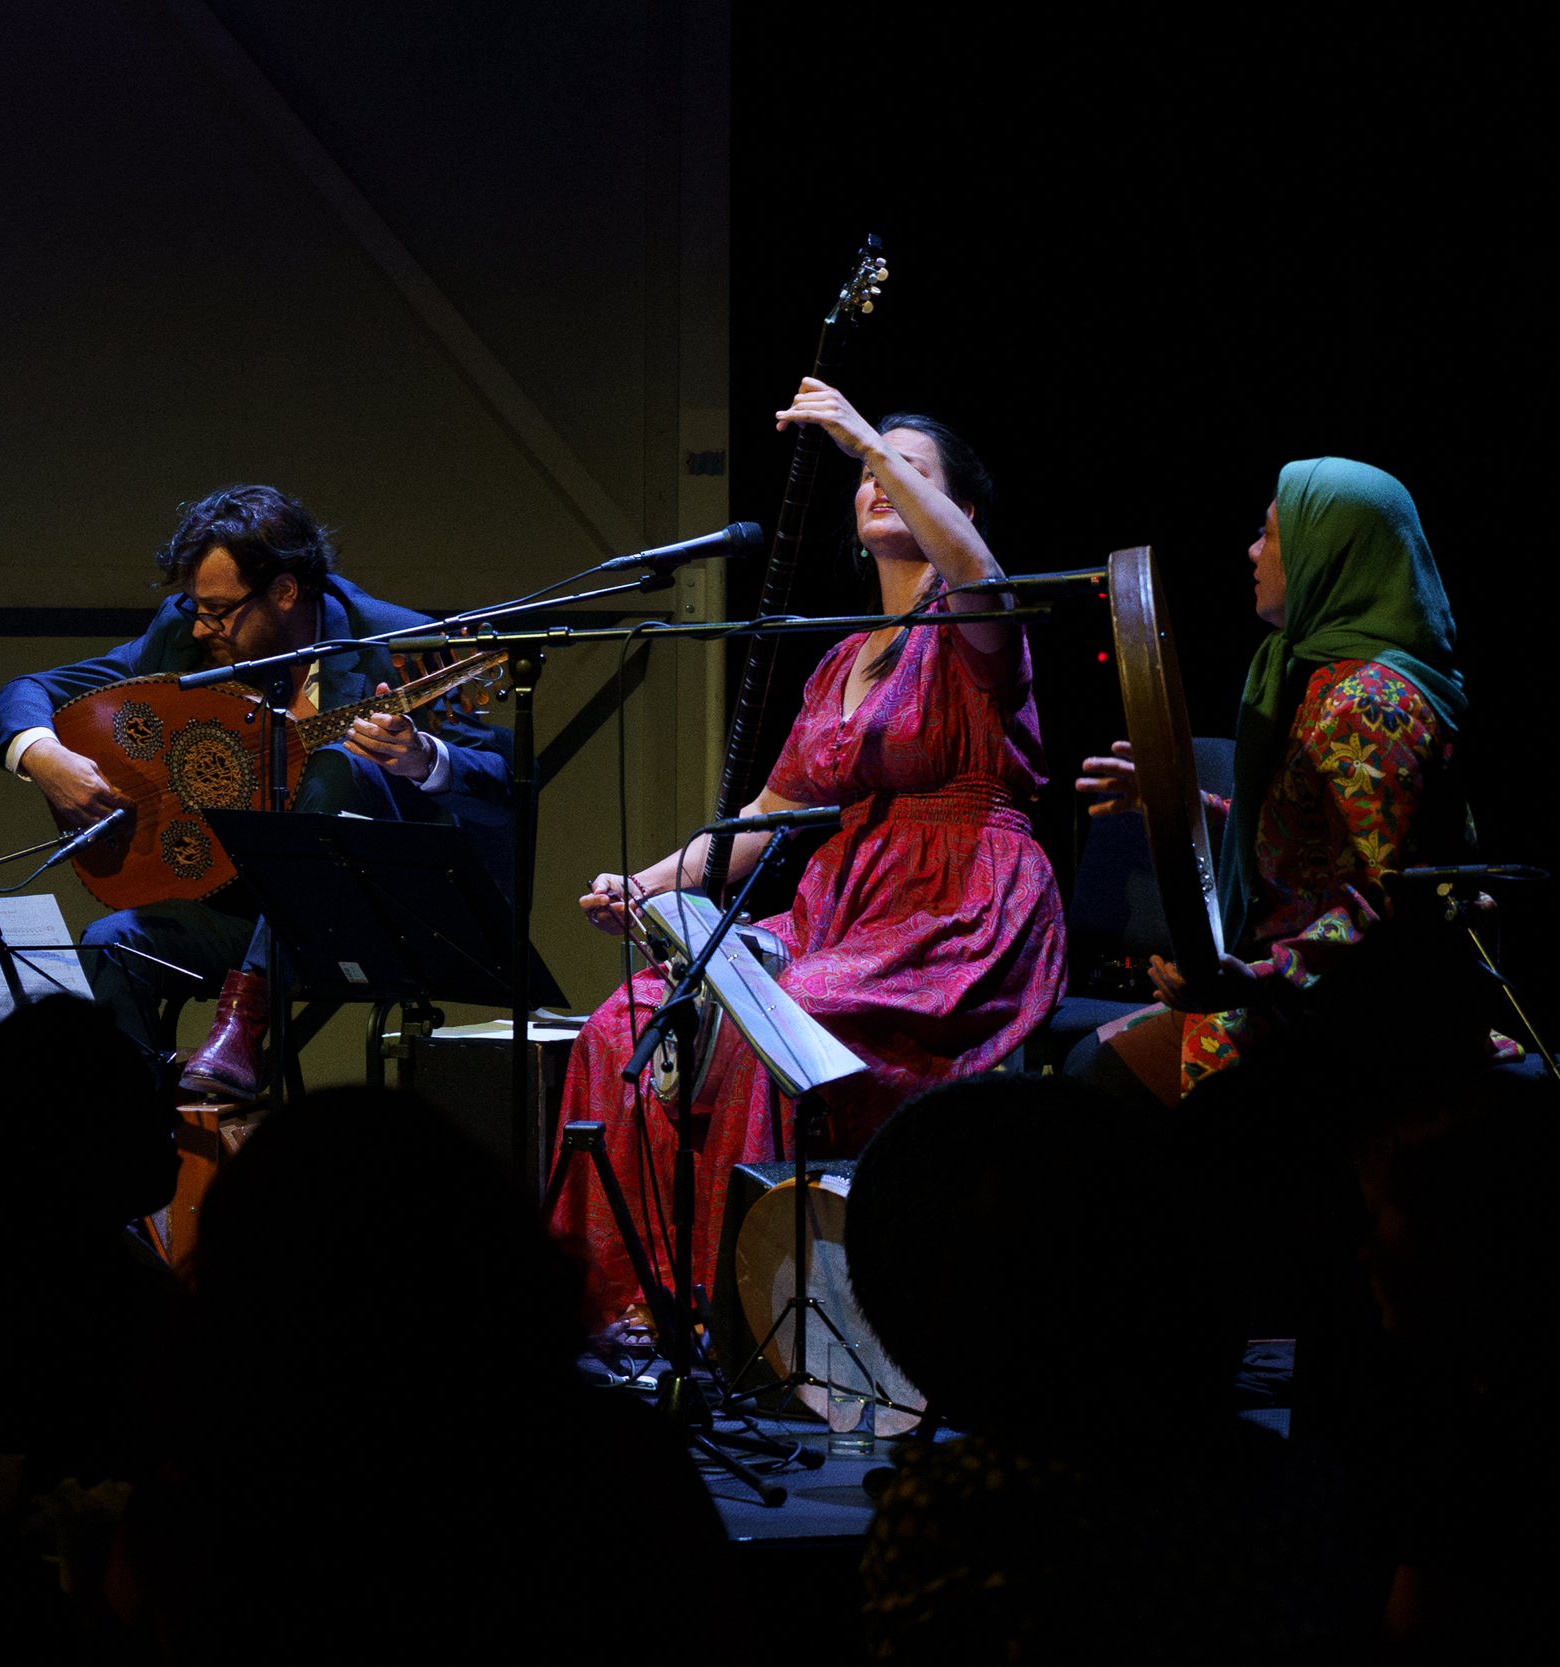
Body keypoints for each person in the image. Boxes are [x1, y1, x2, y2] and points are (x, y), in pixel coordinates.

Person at [551, 380, 1065, 1330]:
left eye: (904, 470)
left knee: (779, 1026)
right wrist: (646, 885)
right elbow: (764, 815)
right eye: (867, 473)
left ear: (954, 507)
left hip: (958, 905)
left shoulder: (975, 624)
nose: (876, 481)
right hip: (847, 906)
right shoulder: (840, 661)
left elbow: (981, 571)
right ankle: (634, 1305)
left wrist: (865, 437)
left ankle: (742, 1319)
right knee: (626, 1023)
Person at [0, 484, 509, 1098]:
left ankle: (245, 1019)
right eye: (195, 606)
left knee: (335, 765)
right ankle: (128, 1134)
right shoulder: (185, 632)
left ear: (284, 591)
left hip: (359, 916)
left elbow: (502, 784)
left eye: (217, 609)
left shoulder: (395, 644)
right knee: (112, 944)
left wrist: (424, 760)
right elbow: (32, 690)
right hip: (241, 908)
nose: (200, 625)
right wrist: (43, 755)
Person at [1070, 457, 1502, 1103]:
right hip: (1310, 989)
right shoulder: (1320, 677)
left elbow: (1389, 900)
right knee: (1093, 1059)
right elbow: (1308, 834)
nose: (1252, 552)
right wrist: (1181, 804)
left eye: (1269, 535)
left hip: (1362, 1010)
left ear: (1328, 554)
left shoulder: (1371, 702)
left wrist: (1262, 979)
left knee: (1098, 1077)